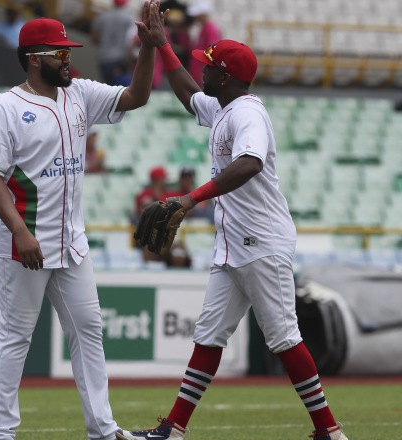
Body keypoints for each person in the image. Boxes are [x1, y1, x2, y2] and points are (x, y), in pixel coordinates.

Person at [117, 5, 349, 440]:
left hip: (261, 240)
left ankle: (329, 432)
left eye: (208, 65)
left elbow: (249, 164)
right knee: (208, 336)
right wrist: (161, 43)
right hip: (232, 245)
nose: (200, 68)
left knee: (283, 337)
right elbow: (187, 94)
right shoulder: (222, 106)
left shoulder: (247, 114)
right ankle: (173, 429)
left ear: (225, 77)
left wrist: (189, 198)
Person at [0, 6, 158, 438]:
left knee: (89, 329)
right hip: (25, 241)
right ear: (35, 58)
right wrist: (20, 231)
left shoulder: (79, 93)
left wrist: (148, 49)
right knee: (15, 336)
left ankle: (103, 429)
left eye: (69, 51)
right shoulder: (4, 108)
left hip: (71, 241)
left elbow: (137, 96)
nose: (68, 59)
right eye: (61, 52)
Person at [91, 0, 136, 85]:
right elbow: (131, 40)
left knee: (106, 89)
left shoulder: (102, 16)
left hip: (104, 58)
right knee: (121, 92)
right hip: (121, 59)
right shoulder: (129, 18)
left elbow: (94, 38)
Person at [185, 2, 221, 85]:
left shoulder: (210, 29)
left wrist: (205, 74)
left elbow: (211, 53)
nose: (195, 17)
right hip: (197, 75)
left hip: (201, 77)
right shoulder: (204, 28)